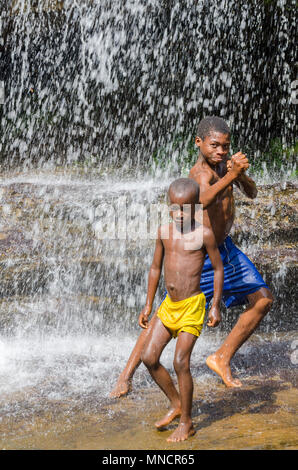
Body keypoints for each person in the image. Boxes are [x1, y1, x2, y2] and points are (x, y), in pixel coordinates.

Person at [110, 115, 273, 397]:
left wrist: (240, 174)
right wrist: (232, 176)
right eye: (214, 146)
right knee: (165, 315)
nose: (221, 151)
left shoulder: (224, 166)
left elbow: (253, 192)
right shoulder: (200, 173)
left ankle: (221, 357)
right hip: (202, 255)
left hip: (226, 249)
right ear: (199, 143)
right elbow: (202, 199)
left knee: (263, 299)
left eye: (225, 146)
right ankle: (125, 376)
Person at [139, 178, 224, 442]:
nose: (178, 214)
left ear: (196, 208)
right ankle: (177, 403)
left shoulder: (204, 234)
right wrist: (148, 303)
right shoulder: (164, 232)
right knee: (149, 357)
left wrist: (216, 305)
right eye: (173, 208)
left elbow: (219, 269)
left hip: (192, 307)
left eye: (184, 209)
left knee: (180, 362)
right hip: (169, 306)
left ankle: (187, 422)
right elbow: (155, 268)